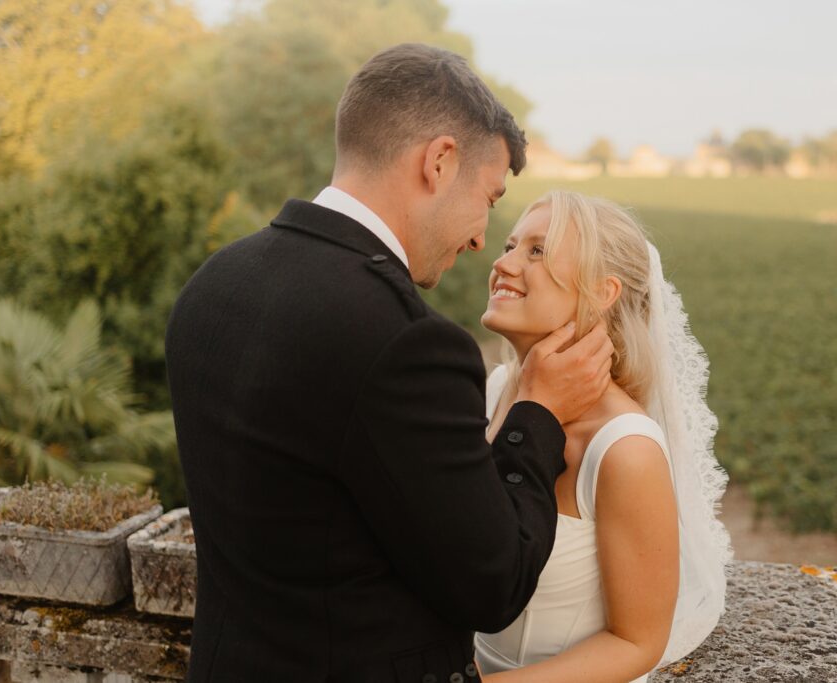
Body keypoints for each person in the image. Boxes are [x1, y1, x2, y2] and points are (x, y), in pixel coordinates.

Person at [164, 45, 614, 683]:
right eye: (488, 198)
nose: (483, 236)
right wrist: (536, 415)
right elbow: (492, 584)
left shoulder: (214, 283)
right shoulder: (405, 343)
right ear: (438, 162)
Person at [474, 191, 733, 682]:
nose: (503, 263)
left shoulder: (623, 449)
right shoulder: (491, 395)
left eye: (536, 251)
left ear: (602, 292)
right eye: (510, 246)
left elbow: (636, 643)